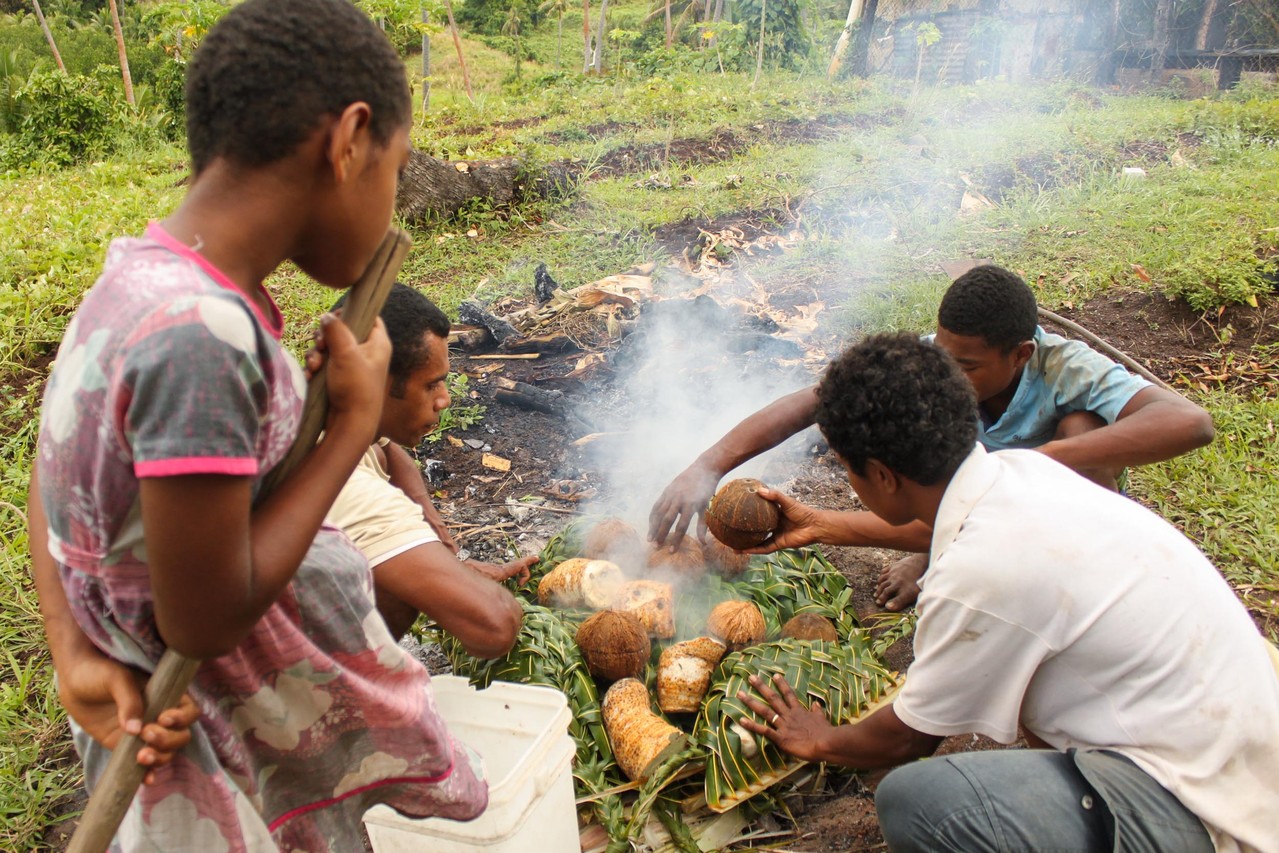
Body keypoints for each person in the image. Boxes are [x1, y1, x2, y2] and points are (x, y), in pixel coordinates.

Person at [27, 2, 488, 848]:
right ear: (349, 141)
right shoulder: (203, 337)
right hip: (212, 752)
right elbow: (202, 622)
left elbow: (48, 472)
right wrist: (350, 427)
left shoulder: (137, 277)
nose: (391, 207)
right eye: (395, 168)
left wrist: (71, 647)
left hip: (183, 718)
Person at [733, 333, 1279, 852]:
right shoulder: (1020, 471)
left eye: (851, 472)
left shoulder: (977, 577)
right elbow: (939, 524)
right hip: (1243, 748)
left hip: (1208, 811)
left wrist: (821, 738)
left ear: (881, 474)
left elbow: (905, 740)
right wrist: (822, 523)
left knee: (919, 802)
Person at [649, 265, 1214, 610]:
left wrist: (1037, 464)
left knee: (1082, 422)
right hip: (971, 499)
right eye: (943, 354)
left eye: (966, 365)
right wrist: (709, 463)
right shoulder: (943, 358)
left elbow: (1191, 423)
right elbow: (814, 401)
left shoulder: (1067, 367)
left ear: (1020, 355)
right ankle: (935, 548)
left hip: (1054, 505)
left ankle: (1065, 568)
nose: (949, 372)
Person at [324, 282, 533, 648]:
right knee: (400, 591)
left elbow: (391, 454)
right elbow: (495, 625)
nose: (444, 400)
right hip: (271, 684)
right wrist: (452, 580)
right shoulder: (350, 488)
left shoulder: (324, 413)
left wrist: (438, 540)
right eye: (432, 385)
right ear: (376, 381)